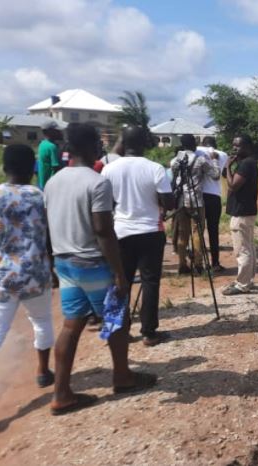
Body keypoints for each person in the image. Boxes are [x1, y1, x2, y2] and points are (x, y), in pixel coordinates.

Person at [44, 123, 156, 415]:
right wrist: (119, 273)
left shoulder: (53, 182)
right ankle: (122, 376)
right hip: (93, 263)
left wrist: (51, 263)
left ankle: (61, 393)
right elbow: (103, 231)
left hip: (65, 263)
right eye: (98, 142)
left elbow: (47, 227)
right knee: (117, 320)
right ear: (91, 145)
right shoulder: (96, 182)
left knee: (71, 325)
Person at [0, 145, 55, 429]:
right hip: (36, 273)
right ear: (33, 169)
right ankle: (43, 372)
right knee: (41, 322)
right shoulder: (40, 196)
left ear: (4, 167)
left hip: (1, 277)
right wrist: (51, 268)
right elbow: (49, 237)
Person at [102, 126, 175, 347]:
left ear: (123, 143)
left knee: (118, 283)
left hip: (120, 233)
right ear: (144, 144)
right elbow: (169, 203)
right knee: (150, 282)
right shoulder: (155, 169)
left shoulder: (108, 170)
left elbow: (107, 204)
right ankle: (149, 332)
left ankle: (114, 331)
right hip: (150, 232)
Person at [170, 134, 220, 275]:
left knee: (182, 234)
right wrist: (215, 160)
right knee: (197, 232)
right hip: (196, 201)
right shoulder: (200, 160)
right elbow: (215, 175)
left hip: (180, 201)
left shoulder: (176, 160)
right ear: (194, 144)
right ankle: (198, 264)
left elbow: (174, 177)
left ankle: (182, 264)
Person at [222, 135, 258, 296]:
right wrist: (229, 167)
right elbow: (231, 179)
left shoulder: (246, 165)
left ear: (247, 146)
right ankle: (247, 280)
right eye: (233, 145)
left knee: (242, 249)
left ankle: (242, 284)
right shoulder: (248, 163)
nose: (234, 148)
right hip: (248, 211)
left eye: (238, 145)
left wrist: (229, 166)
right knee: (248, 247)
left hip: (241, 213)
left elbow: (233, 185)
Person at [196, 137, 228, 272]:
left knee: (197, 230)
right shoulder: (223, 154)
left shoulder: (197, 151)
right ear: (215, 145)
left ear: (203, 144)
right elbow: (225, 175)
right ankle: (215, 263)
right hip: (214, 197)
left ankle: (198, 265)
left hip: (198, 196)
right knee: (213, 231)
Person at [37, 121, 63, 189]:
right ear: (49, 132)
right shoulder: (52, 147)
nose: (60, 133)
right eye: (57, 131)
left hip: (43, 183)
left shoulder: (42, 144)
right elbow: (56, 167)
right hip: (51, 184)